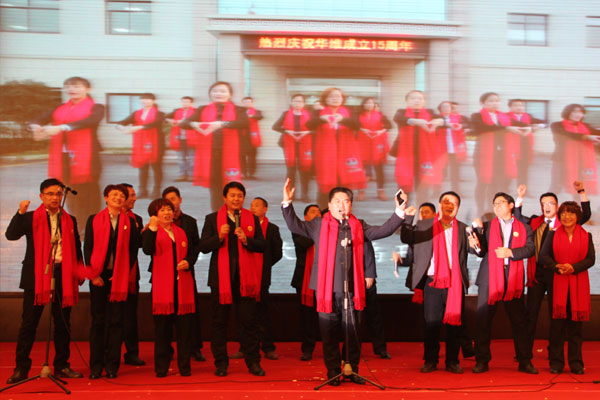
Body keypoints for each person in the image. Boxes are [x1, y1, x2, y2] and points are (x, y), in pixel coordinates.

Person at [281, 178, 407, 385]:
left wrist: (399, 211)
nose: (342, 205)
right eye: (337, 201)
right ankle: (333, 371)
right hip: (326, 290)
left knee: (353, 333)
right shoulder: (318, 225)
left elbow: (383, 230)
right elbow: (295, 225)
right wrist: (287, 203)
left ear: (351, 205)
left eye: (346, 201)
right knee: (328, 333)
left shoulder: (358, 226)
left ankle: (352, 369)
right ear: (330, 205)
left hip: (352, 290)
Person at [5, 178, 84, 384]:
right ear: (42, 196)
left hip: (62, 275)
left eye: (58, 194)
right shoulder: (31, 217)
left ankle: (62, 365)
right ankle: (21, 368)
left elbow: (77, 247)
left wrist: (80, 272)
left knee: (62, 323)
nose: (55, 198)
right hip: (37, 276)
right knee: (29, 323)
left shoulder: (70, 219)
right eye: (50, 194)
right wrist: (20, 213)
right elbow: (11, 235)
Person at [513, 182, 591, 364]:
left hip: (558, 275)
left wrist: (581, 192)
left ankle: (553, 352)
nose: (547, 207)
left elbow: (586, 214)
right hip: (537, 275)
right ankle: (524, 352)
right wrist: (520, 197)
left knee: (556, 316)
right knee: (531, 314)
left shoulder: (566, 222)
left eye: (551, 203)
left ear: (557, 206)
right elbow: (517, 218)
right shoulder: (535, 222)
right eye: (543, 204)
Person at [198, 182, 266, 377]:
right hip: (221, 280)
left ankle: (253, 362)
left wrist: (246, 240)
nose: (236, 199)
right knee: (219, 323)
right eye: (232, 195)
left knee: (249, 322)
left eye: (239, 196)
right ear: (225, 198)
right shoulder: (212, 219)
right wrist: (219, 237)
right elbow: (203, 246)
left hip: (245, 280)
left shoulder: (251, 218)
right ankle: (221, 364)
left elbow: (262, 245)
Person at [400, 191, 470, 374]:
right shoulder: (425, 224)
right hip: (432, 282)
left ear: (458, 208)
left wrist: (477, 240)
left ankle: (452, 361)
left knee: (454, 324)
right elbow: (406, 238)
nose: (450, 206)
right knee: (431, 323)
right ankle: (430, 360)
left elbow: (476, 250)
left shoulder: (463, 228)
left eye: (454, 204)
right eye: (446, 202)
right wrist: (408, 219)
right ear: (440, 205)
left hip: (455, 283)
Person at [469, 192, 537, 374]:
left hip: (513, 278)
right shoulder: (487, 226)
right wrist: (475, 243)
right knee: (483, 320)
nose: (497, 206)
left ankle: (524, 360)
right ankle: (482, 360)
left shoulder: (524, 227)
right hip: (489, 277)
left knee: (519, 321)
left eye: (500, 203)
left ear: (511, 205)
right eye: (494, 204)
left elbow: (530, 249)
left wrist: (511, 253)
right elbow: (480, 251)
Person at [28, 76, 104, 234]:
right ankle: (77, 224)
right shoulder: (60, 108)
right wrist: (35, 126)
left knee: (87, 192)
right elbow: (38, 119)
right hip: (63, 156)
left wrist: (62, 127)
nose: (72, 89)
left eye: (77, 86)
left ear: (88, 89)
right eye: (68, 86)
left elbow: (91, 121)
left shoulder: (96, 107)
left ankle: (90, 225)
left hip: (87, 155)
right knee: (69, 191)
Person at [82, 184, 140, 379]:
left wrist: (122, 272)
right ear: (106, 198)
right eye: (114, 194)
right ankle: (96, 366)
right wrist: (93, 275)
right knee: (98, 321)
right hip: (98, 277)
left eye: (121, 195)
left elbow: (133, 250)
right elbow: (88, 248)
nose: (118, 198)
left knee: (116, 321)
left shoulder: (129, 222)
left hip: (119, 277)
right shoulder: (93, 219)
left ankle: (112, 365)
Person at [539, 202, 595, 374]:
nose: (566, 216)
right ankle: (556, 363)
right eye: (563, 213)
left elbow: (590, 259)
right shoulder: (552, 234)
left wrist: (573, 268)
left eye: (571, 213)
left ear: (577, 217)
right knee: (557, 327)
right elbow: (543, 256)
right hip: (558, 284)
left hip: (578, 285)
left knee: (575, 328)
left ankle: (576, 363)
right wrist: (557, 267)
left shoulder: (586, 236)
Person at [143, 198, 196, 377]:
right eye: (162, 210)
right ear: (155, 214)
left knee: (184, 331)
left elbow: (192, 252)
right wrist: (152, 227)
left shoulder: (181, 232)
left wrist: (188, 261)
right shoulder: (150, 231)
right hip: (162, 289)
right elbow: (147, 249)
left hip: (182, 286)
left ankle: (185, 367)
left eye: (169, 209)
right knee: (162, 332)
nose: (167, 213)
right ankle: (161, 367)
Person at [179, 82, 250, 211]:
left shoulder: (238, 110)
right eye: (215, 91)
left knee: (233, 187)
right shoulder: (202, 109)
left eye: (223, 91)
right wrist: (195, 124)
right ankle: (217, 215)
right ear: (210, 94)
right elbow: (184, 123)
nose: (218, 94)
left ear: (230, 94)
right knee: (215, 188)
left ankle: (235, 216)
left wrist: (222, 124)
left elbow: (244, 123)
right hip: (211, 155)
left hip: (232, 154)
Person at [231, 197, 283, 360]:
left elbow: (277, 253)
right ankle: (244, 347)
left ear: (265, 209)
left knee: (262, 312)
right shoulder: (241, 226)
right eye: (251, 205)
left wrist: (263, 265)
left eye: (257, 205)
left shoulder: (272, 228)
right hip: (244, 277)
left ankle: (268, 347)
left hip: (262, 277)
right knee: (243, 314)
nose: (252, 208)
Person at [161, 186, 205, 362]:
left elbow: (196, 246)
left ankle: (194, 348)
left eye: (174, 199)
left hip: (186, 273)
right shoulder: (158, 223)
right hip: (163, 275)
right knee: (165, 316)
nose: (171, 203)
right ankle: (167, 350)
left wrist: (189, 261)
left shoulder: (190, 222)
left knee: (190, 313)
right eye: (167, 201)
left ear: (180, 200)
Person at [307, 87, 366, 208]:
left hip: (345, 154)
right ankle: (324, 210)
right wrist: (322, 119)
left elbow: (358, 125)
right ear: (325, 99)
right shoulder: (319, 113)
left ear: (342, 99)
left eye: (338, 96)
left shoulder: (349, 111)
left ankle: (343, 210)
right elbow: (309, 125)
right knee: (326, 183)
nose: (335, 98)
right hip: (326, 155)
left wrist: (343, 120)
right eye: (331, 96)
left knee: (344, 184)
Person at [471, 92, 523, 215]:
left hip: (500, 156)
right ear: (482, 103)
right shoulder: (477, 116)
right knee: (483, 183)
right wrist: (505, 128)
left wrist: (529, 127)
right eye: (491, 101)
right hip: (483, 155)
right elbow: (482, 128)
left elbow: (518, 124)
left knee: (495, 184)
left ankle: (491, 209)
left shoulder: (503, 116)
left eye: (497, 101)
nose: (494, 103)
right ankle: (480, 209)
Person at [392, 90, 444, 205]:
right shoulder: (401, 112)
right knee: (403, 184)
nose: (417, 100)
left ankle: (423, 210)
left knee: (423, 184)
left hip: (425, 154)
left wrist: (438, 121)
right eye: (413, 98)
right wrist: (417, 121)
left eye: (420, 98)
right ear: (407, 101)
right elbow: (399, 119)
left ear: (424, 101)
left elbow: (442, 120)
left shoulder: (430, 112)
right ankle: (402, 210)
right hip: (406, 154)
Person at [116, 93, 166, 199]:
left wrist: (138, 127)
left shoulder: (160, 113)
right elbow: (124, 122)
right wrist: (121, 127)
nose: (145, 101)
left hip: (156, 143)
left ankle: (156, 190)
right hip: (141, 143)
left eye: (148, 99)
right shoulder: (136, 113)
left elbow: (156, 123)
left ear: (153, 101)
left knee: (156, 167)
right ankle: (143, 190)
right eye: (143, 99)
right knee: (142, 167)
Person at [290, 204, 322, 361]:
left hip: (325, 279)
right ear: (306, 217)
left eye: (319, 212)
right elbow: (305, 243)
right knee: (307, 317)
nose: (317, 214)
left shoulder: (329, 230)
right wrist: (318, 231)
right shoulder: (298, 229)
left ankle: (331, 348)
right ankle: (307, 349)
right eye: (313, 212)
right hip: (305, 279)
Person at [120, 183, 146, 367]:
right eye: (131, 195)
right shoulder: (104, 218)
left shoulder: (137, 219)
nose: (134, 199)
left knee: (130, 315)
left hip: (131, 273)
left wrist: (145, 234)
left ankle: (132, 352)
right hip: (110, 274)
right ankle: (109, 353)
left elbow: (140, 245)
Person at [549, 104, 600, 195]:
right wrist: (586, 137)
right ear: (568, 112)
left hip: (582, 160)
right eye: (575, 112)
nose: (578, 114)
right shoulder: (557, 125)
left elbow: (597, 132)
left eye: (581, 112)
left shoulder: (585, 126)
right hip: (561, 160)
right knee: (556, 186)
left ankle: (579, 204)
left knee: (579, 187)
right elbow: (567, 135)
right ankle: (548, 203)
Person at [272, 94, 313, 202]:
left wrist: (306, 132)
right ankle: (290, 194)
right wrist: (287, 131)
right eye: (295, 101)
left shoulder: (309, 114)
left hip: (305, 145)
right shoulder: (286, 114)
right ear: (291, 102)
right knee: (291, 172)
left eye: (300, 101)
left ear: (304, 103)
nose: (297, 104)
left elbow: (316, 129)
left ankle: (305, 195)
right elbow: (275, 126)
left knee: (304, 171)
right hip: (289, 145)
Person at [357, 97, 391, 201]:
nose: (369, 105)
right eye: (367, 103)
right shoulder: (358, 115)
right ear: (363, 104)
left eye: (371, 103)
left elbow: (389, 126)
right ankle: (361, 191)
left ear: (374, 105)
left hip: (377, 143)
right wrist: (363, 130)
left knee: (379, 168)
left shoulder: (380, 115)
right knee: (361, 169)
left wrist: (381, 131)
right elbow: (353, 125)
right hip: (363, 143)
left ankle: (380, 190)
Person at [363, 239, 391, 359]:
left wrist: (370, 274)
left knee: (374, 316)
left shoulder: (360, 233)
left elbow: (368, 252)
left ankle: (380, 348)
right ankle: (350, 350)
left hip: (365, 281)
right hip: (347, 282)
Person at [507, 99, 546, 186]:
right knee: (508, 168)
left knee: (523, 169)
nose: (519, 107)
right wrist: (530, 127)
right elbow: (517, 124)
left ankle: (522, 189)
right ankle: (505, 188)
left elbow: (544, 122)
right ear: (510, 107)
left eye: (521, 105)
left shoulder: (528, 116)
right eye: (516, 105)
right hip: (510, 146)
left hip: (525, 146)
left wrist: (539, 126)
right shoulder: (506, 116)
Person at [437, 101, 467, 191]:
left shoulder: (457, 118)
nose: (446, 109)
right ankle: (437, 190)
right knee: (439, 170)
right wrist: (447, 125)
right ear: (440, 109)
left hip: (454, 148)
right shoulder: (437, 118)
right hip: (441, 148)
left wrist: (461, 126)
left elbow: (467, 124)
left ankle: (456, 190)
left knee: (455, 170)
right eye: (444, 107)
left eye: (448, 107)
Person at [166, 96, 196, 182]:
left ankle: (191, 175)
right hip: (179, 138)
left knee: (191, 158)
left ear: (191, 103)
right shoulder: (177, 111)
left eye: (187, 102)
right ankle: (182, 174)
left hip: (191, 138)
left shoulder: (195, 112)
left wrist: (181, 121)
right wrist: (171, 121)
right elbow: (166, 117)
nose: (184, 103)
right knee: (181, 158)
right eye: (183, 102)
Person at [240, 96, 263, 180]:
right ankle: (244, 173)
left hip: (252, 137)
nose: (247, 103)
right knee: (242, 156)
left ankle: (251, 174)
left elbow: (259, 117)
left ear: (252, 103)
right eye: (245, 102)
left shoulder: (257, 111)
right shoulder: (239, 111)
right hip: (242, 137)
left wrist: (250, 116)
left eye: (249, 102)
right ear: (242, 103)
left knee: (252, 156)